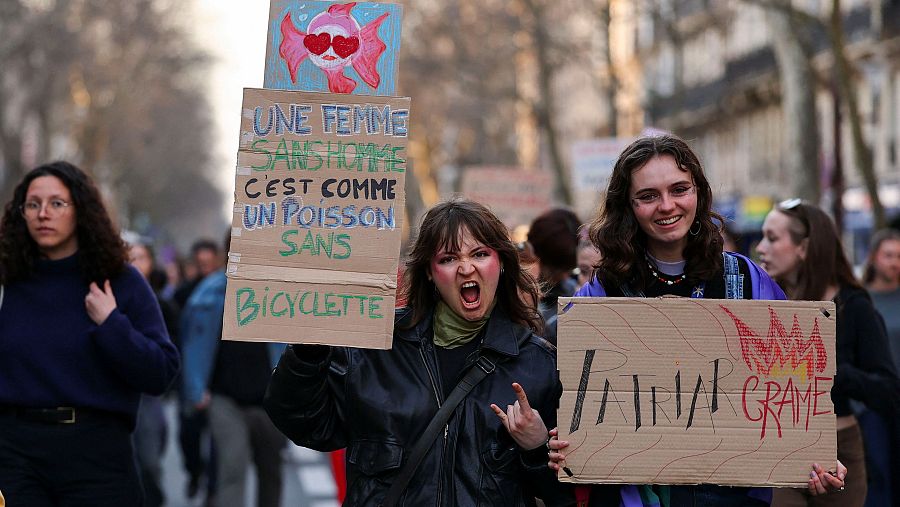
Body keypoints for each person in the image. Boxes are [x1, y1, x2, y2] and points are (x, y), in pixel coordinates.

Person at [524, 136, 844, 505]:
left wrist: (812, 454)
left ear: (698, 193)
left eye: (679, 189)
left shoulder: (746, 279)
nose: (667, 206)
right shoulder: (601, 295)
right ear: (627, 205)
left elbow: (792, 389)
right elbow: (578, 402)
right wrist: (560, 440)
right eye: (648, 196)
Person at [264, 198, 566, 506]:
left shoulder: (538, 365)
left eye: (480, 254)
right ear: (430, 273)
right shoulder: (376, 346)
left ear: (500, 263)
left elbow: (567, 495)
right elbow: (305, 423)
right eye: (448, 259)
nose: (466, 267)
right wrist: (307, 353)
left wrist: (536, 448)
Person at [0, 161, 180, 506]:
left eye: (56, 203)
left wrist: (112, 324)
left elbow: (161, 372)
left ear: (80, 210)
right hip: (15, 453)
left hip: (97, 453)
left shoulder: (120, 281)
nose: (43, 214)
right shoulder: (8, 281)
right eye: (33, 204)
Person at [757, 201, 900, 507]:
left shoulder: (854, 305)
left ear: (804, 248)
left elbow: (887, 389)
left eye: (772, 237)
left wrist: (834, 371)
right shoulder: (763, 300)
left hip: (839, 451)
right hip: (777, 449)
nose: (760, 247)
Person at [181, 233, 287, 507]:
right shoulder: (209, 293)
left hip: (271, 403)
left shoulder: (281, 291)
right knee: (231, 471)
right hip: (225, 401)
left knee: (271, 473)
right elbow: (192, 341)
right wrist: (196, 388)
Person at [129, 241, 179, 507]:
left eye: (141, 257)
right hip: (114, 391)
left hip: (148, 395)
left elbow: (171, 350)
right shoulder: (106, 295)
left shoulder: (162, 304)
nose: (135, 263)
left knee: (149, 460)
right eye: (130, 257)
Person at [527, 208, 582, 344]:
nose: (564, 276)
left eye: (569, 269)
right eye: (556, 269)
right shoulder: (515, 294)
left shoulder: (573, 292)